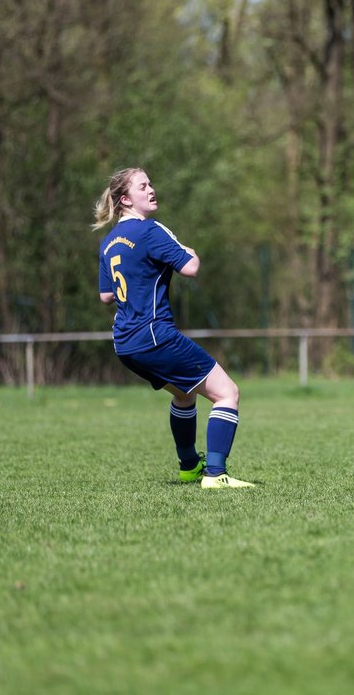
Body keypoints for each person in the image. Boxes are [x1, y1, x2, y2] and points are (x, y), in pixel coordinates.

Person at [94, 167, 254, 487]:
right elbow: (190, 267)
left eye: (151, 183)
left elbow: (106, 295)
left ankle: (189, 465)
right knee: (227, 394)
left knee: (184, 395)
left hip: (125, 344)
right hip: (155, 334)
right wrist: (189, 252)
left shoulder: (109, 243)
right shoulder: (150, 230)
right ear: (126, 199)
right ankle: (215, 474)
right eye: (143, 186)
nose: (151, 189)